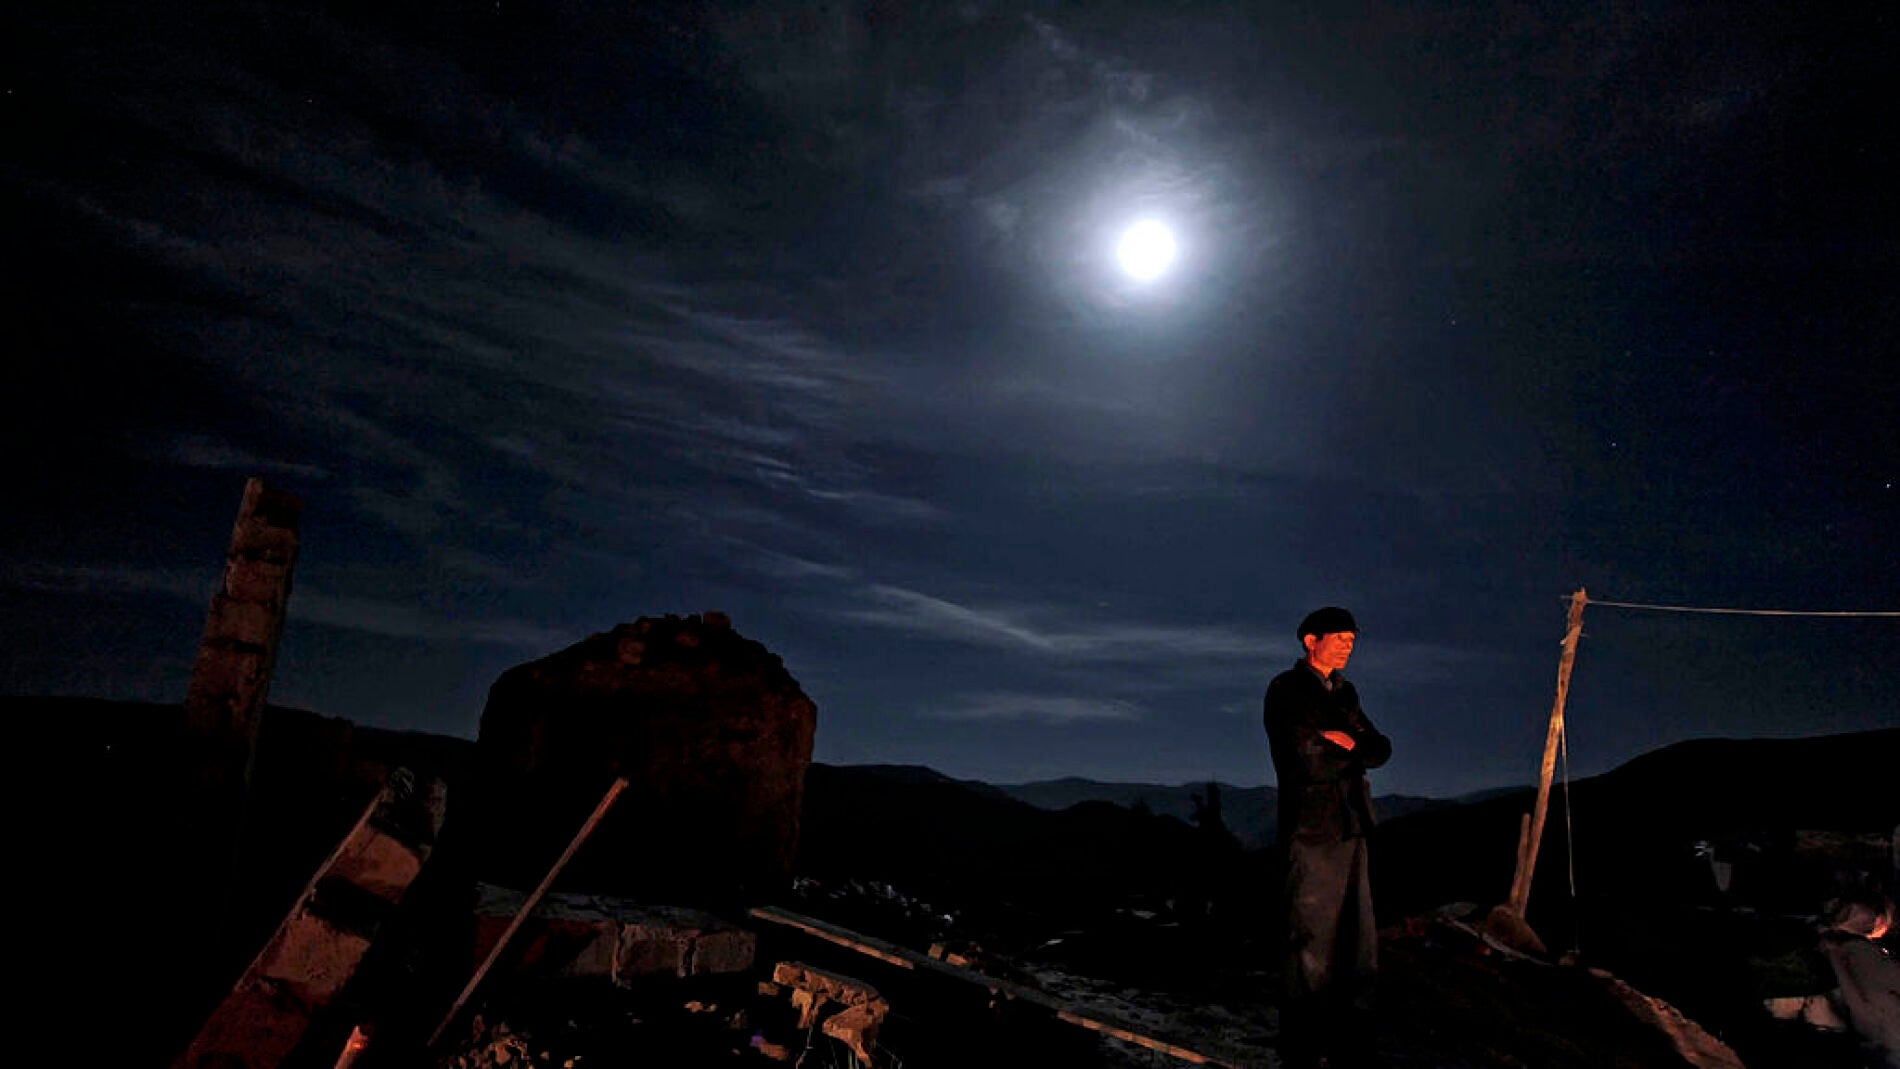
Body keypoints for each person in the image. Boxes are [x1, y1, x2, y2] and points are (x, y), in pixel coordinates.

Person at [1263, 606, 1392, 1067]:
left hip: (1352, 823)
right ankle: (1302, 1042)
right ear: (1310, 640)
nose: (1347, 647)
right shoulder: (1287, 689)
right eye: (1339, 638)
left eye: (1352, 640)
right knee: (1310, 936)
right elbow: (1303, 756)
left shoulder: (1346, 692)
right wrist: (1351, 747)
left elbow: (1380, 748)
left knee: (1357, 936)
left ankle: (1351, 1037)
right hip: (1312, 826)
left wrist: (1351, 742)